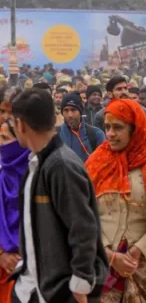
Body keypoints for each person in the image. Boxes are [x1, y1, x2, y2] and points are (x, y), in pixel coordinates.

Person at [10, 88, 108, 303]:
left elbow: (83, 228)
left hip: (62, 291)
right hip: (33, 287)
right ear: (55, 117)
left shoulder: (61, 166)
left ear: (20, 124)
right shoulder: (36, 164)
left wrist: (80, 285)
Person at [86, 99, 146, 302]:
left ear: (136, 128)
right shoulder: (97, 162)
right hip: (103, 262)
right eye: (107, 127)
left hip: (145, 264)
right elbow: (84, 214)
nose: (110, 133)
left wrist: (136, 252)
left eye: (118, 127)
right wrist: (110, 255)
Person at [0, 89, 30, 303]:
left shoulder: (42, 174)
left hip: (34, 268)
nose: (1, 144)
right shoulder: (2, 175)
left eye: (5, 138)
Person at [58, 92, 105, 162]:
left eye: (73, 110)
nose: (70, 115)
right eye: (66, 110)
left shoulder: (96, 134)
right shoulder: (55, 136)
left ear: (81, 111)